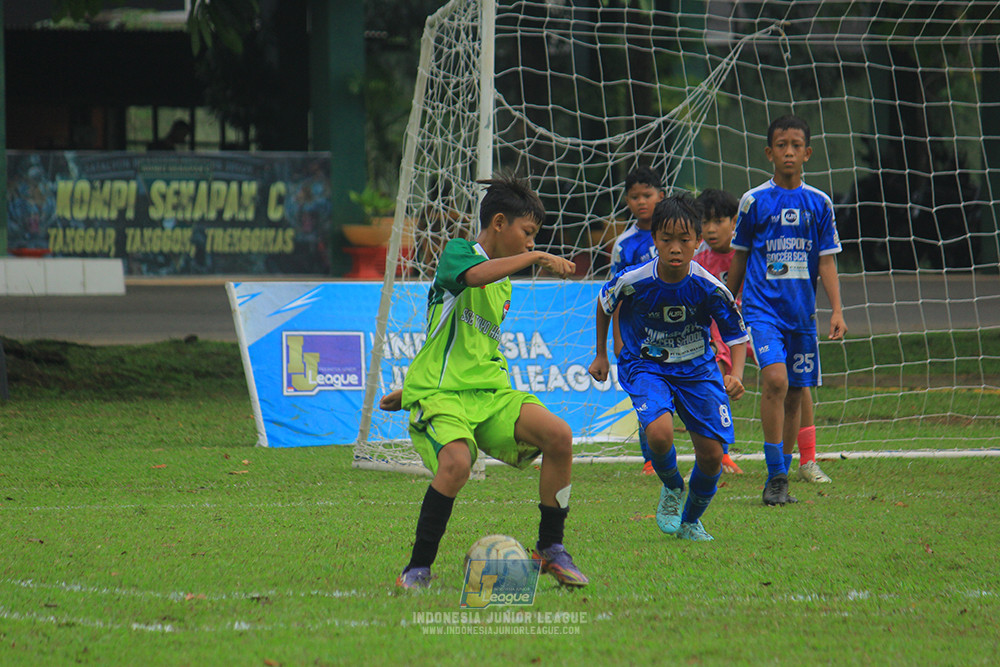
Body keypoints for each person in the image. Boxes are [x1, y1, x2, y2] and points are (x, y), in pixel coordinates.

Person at [379, 172, 588, 589]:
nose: (531, 242)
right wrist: (539, 258)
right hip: (443, 397)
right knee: (457, 463)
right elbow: (474, 277)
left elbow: (468, 345)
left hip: (490, 394)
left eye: (535, 238)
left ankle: (550, 548)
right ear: (498, 223)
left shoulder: (503, 285)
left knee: (560, 436)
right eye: (527, 233)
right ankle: (417, 567)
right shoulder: (458, 253)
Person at [589, 193, 749, 541]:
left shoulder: (710, 286)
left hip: (697, 369)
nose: (675, 248)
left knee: (711, 455)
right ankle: (673, 487)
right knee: (658, 434)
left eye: (684, 240)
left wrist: (736, 373)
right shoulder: (634, 279)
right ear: (655, 240)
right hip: (647, 365)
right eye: (667, 239)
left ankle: (690, 521)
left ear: (697, 242)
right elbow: (604, 303)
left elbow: (737, 335)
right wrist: (601, 354)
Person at [726, 115, 846, 506]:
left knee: (796, 391)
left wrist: (836, 311)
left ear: (807, 153)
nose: (789, 151)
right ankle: (775, 475)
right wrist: (725, 303)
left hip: (801, 314)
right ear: (769, 152)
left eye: (796, 145)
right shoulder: (754, 201)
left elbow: (826, 261)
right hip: (762, 310)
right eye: (781, 145)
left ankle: (787, 469)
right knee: (775, 381)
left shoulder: (819, 203)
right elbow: (739, 259)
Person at [696, 187, 831, 482]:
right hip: (726, 334)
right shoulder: (701, 262)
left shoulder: (750, 248)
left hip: (763, 322)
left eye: (717, 221)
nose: (709, 229)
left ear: (735, 222)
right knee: (715, 380)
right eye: (704, 223)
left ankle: (807, 460)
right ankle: (720, 453)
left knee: (797, 384)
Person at [609, 166, 665, 474]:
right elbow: (616, 294)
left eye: (647, 195)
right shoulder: (625, 244)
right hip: (640, 334)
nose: (641, 202)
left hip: (675, 330)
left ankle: (718, 454)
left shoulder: (676, 234)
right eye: (634, 197)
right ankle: (650, 460)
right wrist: (618, 339)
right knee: (647, 394)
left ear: (661, 195)